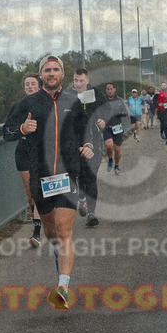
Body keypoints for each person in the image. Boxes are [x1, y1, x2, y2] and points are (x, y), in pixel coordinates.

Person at [2, 55, 95, 310]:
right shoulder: (27, 103)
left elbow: (86, 129)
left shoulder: (74, 101)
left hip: (68, 175)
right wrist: (22, 129)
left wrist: (88, 144)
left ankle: (63, 287)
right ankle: (56, 252)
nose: (51, 73)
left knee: (64, 231)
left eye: (55, 69)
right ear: (40, 74)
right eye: (47, 70)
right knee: (51, 232)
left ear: (62, 74)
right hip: (40, 177)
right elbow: (6, 132)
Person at [4, 73, 43, 247]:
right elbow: (6, 132)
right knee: (30, 197)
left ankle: (36, 232)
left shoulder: (47, 104)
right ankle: (40, 221)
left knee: (39, 192)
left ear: (39, 86)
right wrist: (22, 129)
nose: (30, 86)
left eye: (33, 83)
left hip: (42, 153)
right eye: (27, 84)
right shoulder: (18, 106)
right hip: (24, 152)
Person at [72, 68, 106, 227]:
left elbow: (106, 110)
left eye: (81, 80)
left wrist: (103, 121)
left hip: (95, 140)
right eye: (76, 80)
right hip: (76, 141)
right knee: (79, 175)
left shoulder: (96, 94)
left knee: (91, 176)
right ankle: (81, 197)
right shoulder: (69, 95)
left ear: (87, 80)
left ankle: (91, 213)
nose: (78, 84)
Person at [102, 82, 129, 176]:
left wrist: (118, 112)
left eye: (111, 89)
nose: (109, 91)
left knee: (117, 149)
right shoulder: (103, 100)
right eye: (108, 89)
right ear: (106, 90)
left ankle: (117, 166)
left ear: (114, 89)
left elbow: (125, 113)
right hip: (107, 127)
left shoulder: (119, 100)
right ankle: (110, 159)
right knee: (109, 145)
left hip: (117, 127)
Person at [154, 81, 167, 145]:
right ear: (161, 86)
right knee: (163, 123)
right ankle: (162, 131)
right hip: (161, 111)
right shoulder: (158, 93)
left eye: (164, 85)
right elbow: (154, 101)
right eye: (162, 85)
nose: (163, 86)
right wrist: (158, 104)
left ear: (166, 86)